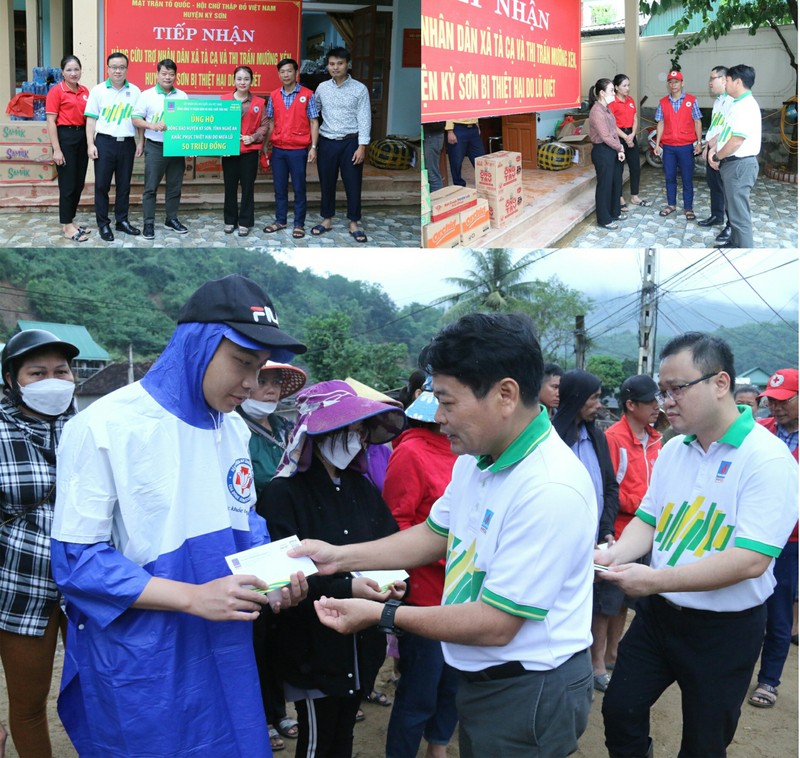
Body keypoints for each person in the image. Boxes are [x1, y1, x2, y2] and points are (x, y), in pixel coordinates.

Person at [292, 313, 598, 758]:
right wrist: (339, 557)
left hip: (528, 688)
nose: (438, 416)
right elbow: (434, 535)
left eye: (448, 402)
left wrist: (381, 614)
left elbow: (496, 624)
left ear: (505, 394)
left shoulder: (549, 488)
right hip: (483, 674)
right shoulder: (477, 459)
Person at [50, 275, 309, 757]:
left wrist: (275, 577)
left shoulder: (232, 429)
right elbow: (78, 561)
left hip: (224, 642)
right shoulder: (103, 426)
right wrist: (191, 597)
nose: (252, 383)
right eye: (242, 363)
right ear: (198, 344)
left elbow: (245, 524)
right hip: (145, 655)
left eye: (260, 367)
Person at [597, 333, 797, 758]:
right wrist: (613, 555)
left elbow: (750, 561)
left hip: (725, 630)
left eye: (677, 389)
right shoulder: (673, 450)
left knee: (705, 743)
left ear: (720, 383)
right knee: (619, 709)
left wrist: (654, 579)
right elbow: (648, 521)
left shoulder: (768, 459)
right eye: (661, 391)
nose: (666, 401)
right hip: (659, 619)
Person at [257, 380, 406, 758]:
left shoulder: (361, 486)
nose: (356, 439)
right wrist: (348, 589)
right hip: (311, 641)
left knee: (344, 733)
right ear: (316, 433)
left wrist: (395, 581)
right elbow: (284, 576)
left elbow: (387, 544)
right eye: (347, 431)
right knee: (317, 739)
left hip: (361, 636)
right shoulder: (283, 494)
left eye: (359, 431)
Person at [0, 329, 79, 757]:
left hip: (88, 585)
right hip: (20, 588)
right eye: (37, 372)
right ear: (11, 380)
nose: (53, 381)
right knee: (29, 706)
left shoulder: (88, 428)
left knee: (104, 690)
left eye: (61, 371)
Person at [382, 379, 459, 758]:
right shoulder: (411, 452)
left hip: (462, 591)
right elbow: (396, 520)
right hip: (426, 591)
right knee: (420, 687)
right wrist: (437, 554)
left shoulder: (468, 453)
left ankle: (438, 747)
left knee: (454, 680)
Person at [239, 359, 307, 753]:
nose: (268, 390)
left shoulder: (284, 429)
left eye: (275, 384)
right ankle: (260, 714)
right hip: (255, 548)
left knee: (283, 632)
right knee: (256, 635)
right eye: (261, 381)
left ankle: (280, 708)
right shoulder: (234, 432)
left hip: (290, 543)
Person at [553, 370, 620, 694]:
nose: (598, 404)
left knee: (599, 604)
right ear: (576, 399)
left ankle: (591, 666)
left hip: (596, 541)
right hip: (561, 544)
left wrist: (606, 528)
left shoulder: (597, 438)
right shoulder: (553, 440)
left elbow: (609, 485)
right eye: (593, 397)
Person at [602, 375, 662, 674]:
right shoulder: (614, 438)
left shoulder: (655, 439)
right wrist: (646, 504)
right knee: (607, 604)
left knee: (626, 600)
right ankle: (599, 659)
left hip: (647, 534)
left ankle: (613, 652)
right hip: (621, 535)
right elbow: (609, 488)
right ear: (630, 405)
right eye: (650, 401)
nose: (657, 406)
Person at [748, 369, 798, 710]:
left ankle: (769, 680)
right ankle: (733, 668)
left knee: (779, 610)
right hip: (751, 533)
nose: (776, 408)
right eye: (772, 401)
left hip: (790, 541)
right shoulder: (759, 432)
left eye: (784, 401)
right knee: (746, 604)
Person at [312, 47, 371, 243]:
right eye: (332, 64)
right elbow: (314, 114)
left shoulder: (359, 89)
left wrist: (362, 146)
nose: (335, 67)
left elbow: (364, 118)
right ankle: (327, 219)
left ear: (348, 64)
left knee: (352, 184)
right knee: (326, 182)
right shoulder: (321, 88)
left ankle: (354, 222)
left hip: (351, 142)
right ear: (327, 66)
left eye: (340, 63)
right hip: (327, 141)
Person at [85, 51, 142, 242]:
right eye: (114, 67)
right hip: (104, 143)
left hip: (126, 144)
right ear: (108, 69)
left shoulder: (135, 91)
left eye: (122, 67)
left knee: (124, 186)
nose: (118, 71)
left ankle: (122, 221)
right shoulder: (98, 91)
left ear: (127, 69)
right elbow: (91, 120)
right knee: (102, 186)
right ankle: (103, 224)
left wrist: (140, 141)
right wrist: (90, 144)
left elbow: (139, 119)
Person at [132, 58, 189, 240]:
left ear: (175, 76)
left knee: (175, 187)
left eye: (171, 74)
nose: (168, 77)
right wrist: (152, 125)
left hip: (176, 148)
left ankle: (171, 219)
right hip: (155, 147)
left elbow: (189, 122)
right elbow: (135, 119)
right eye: (164, 73)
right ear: (157, 75)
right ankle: (148, 223)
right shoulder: (147, 95)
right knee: (150, 188)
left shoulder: (182, 96)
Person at [262, 58, 320, 240]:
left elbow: (314, 121)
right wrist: (265, 145)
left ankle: (299, 224)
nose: (286, 75)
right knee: (279, 187)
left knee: (299, 187)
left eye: (289, 71)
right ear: (278, 74)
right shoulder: (273, 95)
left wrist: (313, 147)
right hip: (279, 149)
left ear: (296, 73)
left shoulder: (308, 94)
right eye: (282, 72)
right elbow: (270, 121)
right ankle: (280, 220)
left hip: (298, 149)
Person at [708, 64, 761, 249]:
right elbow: (725, 133)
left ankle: (744, 256)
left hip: (739, 165)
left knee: (740, 217)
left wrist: (717, 156)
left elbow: (736, 141)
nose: (725, 83)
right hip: (732, 165)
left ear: (737, 82)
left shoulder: (746, 106)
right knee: (733, 210)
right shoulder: (737, 104)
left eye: (728, 80)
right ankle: (734, 244)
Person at [45, 54, 90, 242]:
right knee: (67, 184)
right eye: (69, 70)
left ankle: (71, 220)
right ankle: (66, 226)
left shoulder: (85, 90)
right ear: (62, 72)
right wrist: (56, 149)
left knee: (79, 182)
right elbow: (50, 121)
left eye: (76, 69)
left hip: (82, 137)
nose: (73, 73)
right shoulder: (57, 91)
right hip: (65, 138)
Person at [222, 66, 268, 237]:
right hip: (229, 152)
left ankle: (245, 221)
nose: (242, 82)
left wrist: (254, 137)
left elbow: (265, 125)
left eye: (246, 79)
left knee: (248, 187)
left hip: (249, 152)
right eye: (239, 79)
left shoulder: (259, 102)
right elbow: (217, 126)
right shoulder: (224, 100)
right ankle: (229, 220)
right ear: (234, 80)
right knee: (230, 187)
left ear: (252, 81)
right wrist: (220, 145)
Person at [653, 70, 702, 221]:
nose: (673, 84)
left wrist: (699, 142)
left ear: (682, 83)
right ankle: (671, 204)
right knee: (669, 177)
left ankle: (688, 207)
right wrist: (657, 144)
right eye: (670, 81)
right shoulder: (663, 102)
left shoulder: (691, 100)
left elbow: (697, 121)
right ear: (668, 84)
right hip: (668, 147)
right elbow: (660, 123)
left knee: (687, 178)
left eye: (676, 81)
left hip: (686, 147)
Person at [699, 66, 733, 244]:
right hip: (713, 150)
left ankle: (730, 224)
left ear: (724, 79)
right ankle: (717, 216)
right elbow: (715, 128)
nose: (710, 82)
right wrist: (707, 146)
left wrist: (712, 147)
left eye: (713, 78)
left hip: (724, 152)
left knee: (728, 190)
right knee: (715, 185)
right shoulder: (718, 101)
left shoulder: (732, 101)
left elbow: (728, 130)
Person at [588, 78, 626, 230]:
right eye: (611, 90)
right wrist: (620, 148)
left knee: (615, 182)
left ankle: (615, 212)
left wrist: (618, 149)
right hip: (602, 151)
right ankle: (604, 219)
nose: (614, 93)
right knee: (604, 185)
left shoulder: (607, 108)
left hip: (612, 149)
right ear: (602, 93)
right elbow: (604, 136)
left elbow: (613, 130)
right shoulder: (596, 111)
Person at [608, 74, 649, 210]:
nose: (627, 88)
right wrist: (625, 138)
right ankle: (619, 198)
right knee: (618, 169)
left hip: (631, 134)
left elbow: (635, 118)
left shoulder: (630, 100)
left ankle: (634, 195)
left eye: (628, 85)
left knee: (635, 167)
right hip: (618, 137)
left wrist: (632, 134)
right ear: (616, 87)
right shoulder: (612, 102)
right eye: (624, 86)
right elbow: (612, 124)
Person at [444, 118, 483, 187]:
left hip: (473, 127)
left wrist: (477, 125)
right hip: (458, 128)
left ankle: (484, 182)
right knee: (456, 159)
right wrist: (450, 131)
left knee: (480, 157)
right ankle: (459, 185)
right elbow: (449, 112)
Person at [423, 121, 446, 192]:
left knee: (432, 174)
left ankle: (437, 201)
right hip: (431, 134)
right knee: (431, 173)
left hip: (432, 135)